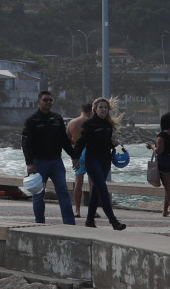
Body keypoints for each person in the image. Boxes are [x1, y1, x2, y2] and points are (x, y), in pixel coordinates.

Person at [22, 90, 78, 225]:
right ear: (38, 102)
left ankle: (70, 224)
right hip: (39, 163)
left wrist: (74, 157)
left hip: (56, 162)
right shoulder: (32, 121)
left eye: (50, 100)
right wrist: (29, 163)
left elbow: (64, 140)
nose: (48, 103)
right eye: (45, 100)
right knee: (38, 195)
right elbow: (26, 143)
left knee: (63, 192)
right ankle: (39, 223)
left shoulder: (58, 119)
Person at [78, 97, 126, 231]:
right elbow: (81, 142)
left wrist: (112, 144)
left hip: (105, 161)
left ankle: (89, 220)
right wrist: (75, 157)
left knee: (97, 191)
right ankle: (113, 221)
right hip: (92, 160)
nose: (103, 110)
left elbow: (104, 143)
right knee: (103, 188)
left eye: (105, 107)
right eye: (101, 107)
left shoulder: (108, 125)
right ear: (95, 109)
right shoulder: (89, 124)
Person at [145, 111, 170, 218]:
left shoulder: (162, 135)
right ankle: (164, 211)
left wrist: (151, 147)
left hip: (165, 161)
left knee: (169, 189)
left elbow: (159, 151)